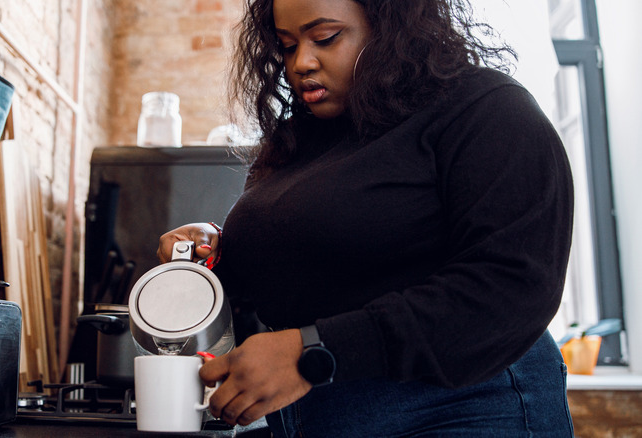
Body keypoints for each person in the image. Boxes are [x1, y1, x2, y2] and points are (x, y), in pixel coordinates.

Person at [157, 0, 575, 436]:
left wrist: (314, 352)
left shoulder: (484, 109)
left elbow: (510, 288)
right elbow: (324, 258)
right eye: (286, 45)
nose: (301, 62)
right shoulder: (300, 140)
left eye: (325, 38)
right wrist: (219, 249)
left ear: (390, 26)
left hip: (466, 409)